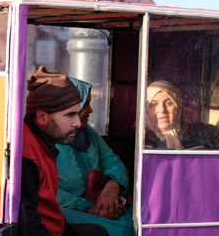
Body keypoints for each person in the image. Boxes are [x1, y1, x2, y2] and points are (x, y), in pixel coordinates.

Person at [18, 66, 108, 236]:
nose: (78, 123)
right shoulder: (26, 155)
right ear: (42, 117)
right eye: (69, 115)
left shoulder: (45, 145)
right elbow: (28, 226)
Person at [55, 77, 133, 236]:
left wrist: (111, 189)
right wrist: (89, 208)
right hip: (67, 210)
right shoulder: (47, 138)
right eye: (86, 105)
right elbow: (45, 190)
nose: (90, 110)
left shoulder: (88, 133)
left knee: (137, 221)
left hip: (99, 203)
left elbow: (113, 162)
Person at [146, 80, 219, 150]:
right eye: (153, 104)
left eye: (169, 103)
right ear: (145, 110)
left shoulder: (202, 133)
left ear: (178, 107)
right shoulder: (140, 141)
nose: (162, 110)